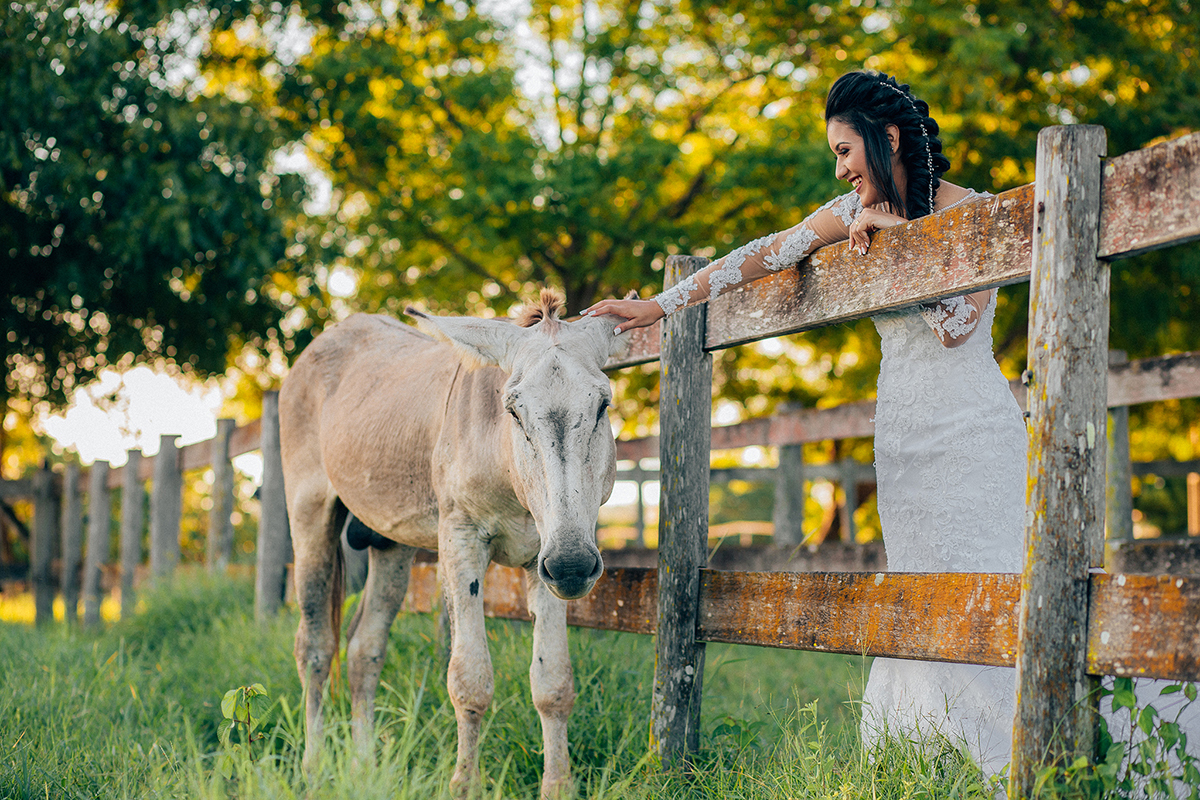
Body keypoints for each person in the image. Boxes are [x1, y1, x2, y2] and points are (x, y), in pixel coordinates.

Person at [583, 70, 1027, 775]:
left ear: (886, 140)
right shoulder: (843, 211)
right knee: (918, 579)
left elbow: (958, 328)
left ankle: (1014, 755)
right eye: (836, 158)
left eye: (846, 151)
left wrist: (902, 240)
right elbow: (760, 255)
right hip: (904, 432)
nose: (843, 170)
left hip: (976, 431)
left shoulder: (976, 211)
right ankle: (938, 759)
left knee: (988, 575)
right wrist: (662, 306)